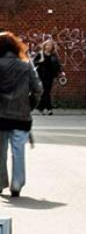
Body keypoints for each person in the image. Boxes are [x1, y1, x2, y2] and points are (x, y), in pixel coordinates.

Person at [0, 33, 41, 198]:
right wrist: (30, 105)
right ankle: (17, 184)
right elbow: (38, 88)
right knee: (18, 151)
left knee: (0, 152)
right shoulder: (25, 65)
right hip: (21, 115)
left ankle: (1, 182)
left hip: (0, 115)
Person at [33, 39, 62, 115]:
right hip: (41, 75)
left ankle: (41, 107)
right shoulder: (40, 54)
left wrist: (60, 72)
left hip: (50, 75)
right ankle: (49, 108)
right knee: (45, 91)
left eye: (51, 45)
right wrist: (40, 61)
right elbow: (33, 63)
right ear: (44, 46)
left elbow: (58, 65)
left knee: (47, 91)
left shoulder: (54, 55)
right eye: (48, 45)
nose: (49, 47)